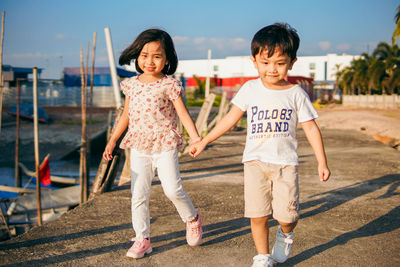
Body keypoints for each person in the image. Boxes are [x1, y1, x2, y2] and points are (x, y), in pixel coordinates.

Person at [190, 23, 330, 267]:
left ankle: (285, 234)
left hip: (286, 164)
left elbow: (310, 127)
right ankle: (262, 256)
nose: (272, 69)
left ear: (292, 63)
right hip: (254, 162)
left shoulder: (296, 93)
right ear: (254, 61)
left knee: (287, 216)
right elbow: (230, 119)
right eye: (265, 62)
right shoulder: (250, 89)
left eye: (279, 63)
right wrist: (205, 140)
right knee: (258, 214)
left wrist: (321, 161)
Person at [103, 28, 203, 259]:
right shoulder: (131, 85)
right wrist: (112, 141)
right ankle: (142, 238)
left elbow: (183, 114)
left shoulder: (169, 85)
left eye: (157, 56)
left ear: (167, 59)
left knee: (172, 189)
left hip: (165, 142)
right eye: (144, 55)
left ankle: (192, 218)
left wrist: (196, 139)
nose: (150, 61)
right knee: (138, 193)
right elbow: (126, 115)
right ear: (137, 56)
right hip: (139, 144)